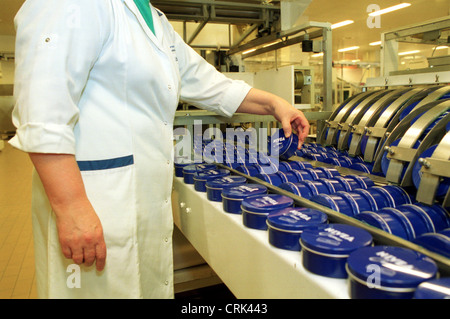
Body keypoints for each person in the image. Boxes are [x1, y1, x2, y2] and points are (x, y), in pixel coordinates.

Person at [10, 0, 309, 299]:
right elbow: (43, 113)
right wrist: (71, 208)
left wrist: (274, 104)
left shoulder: (155, 19)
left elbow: (210, 85)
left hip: (140, 198)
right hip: (94, 201)